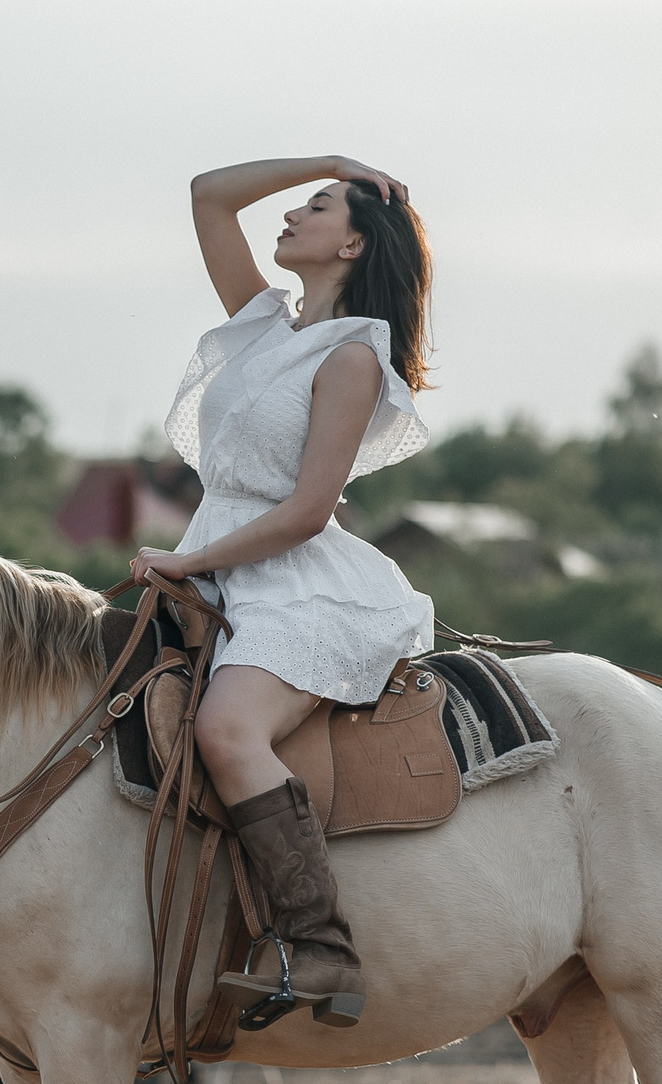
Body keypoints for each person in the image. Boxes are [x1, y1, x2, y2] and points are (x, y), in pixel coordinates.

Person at [126, 155, 436, 1030]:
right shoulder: (266, 324)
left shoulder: (353, 359)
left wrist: (194, 563)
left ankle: (322, 944)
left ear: (351, 244)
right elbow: (207, 194)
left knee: (227, 729)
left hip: (295, 584)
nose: (294, 214)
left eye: (318, 206)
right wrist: (330, 161)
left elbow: (305, 513)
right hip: (212, 557)